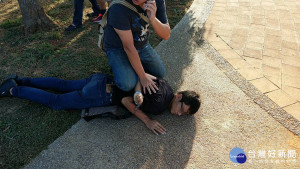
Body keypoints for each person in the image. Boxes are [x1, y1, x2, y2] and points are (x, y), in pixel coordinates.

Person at [0, 73, 201, 135]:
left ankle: (20, 79)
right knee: (57, 102)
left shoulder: (165, 84)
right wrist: (147, 121)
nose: (179, 115)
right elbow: (126, 101)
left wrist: (138, 89)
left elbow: (142, 74)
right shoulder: (158, 105)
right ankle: (12, 90)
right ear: (179, 97)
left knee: (63, 84)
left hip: (101, 79)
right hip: (101, 93)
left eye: (183, 115)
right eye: (182, 110)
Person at [104, 0, 171, 95]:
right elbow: (128, 47)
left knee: (160, 73)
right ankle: (133, 70)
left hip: (142, 45)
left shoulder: (157, 1)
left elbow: (166, 35)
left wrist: (153, 18)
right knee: (127, 84)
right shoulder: (118, 7)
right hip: (118, 48)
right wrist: (143, 76)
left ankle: (134, 69)